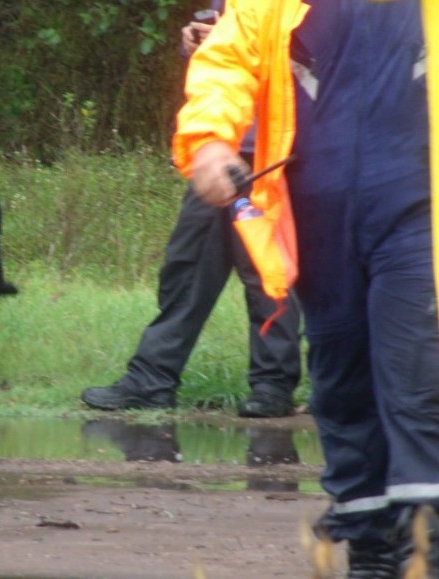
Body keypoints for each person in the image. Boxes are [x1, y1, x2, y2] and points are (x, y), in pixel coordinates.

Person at [172, 0, 439, 576]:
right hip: (318, 219)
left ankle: (427, 547)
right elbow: (227, 62)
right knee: (342, 386)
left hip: (420, 215)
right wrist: (213, 141)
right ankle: (370, 548)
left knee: (417, 376)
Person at [81, 3, 302, 419]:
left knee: (268, 274)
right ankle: (152, 379)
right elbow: (219, 64)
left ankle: (273, 386)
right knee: (186, 268)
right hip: (214, 155)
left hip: (272, 155)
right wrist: (194, 44)